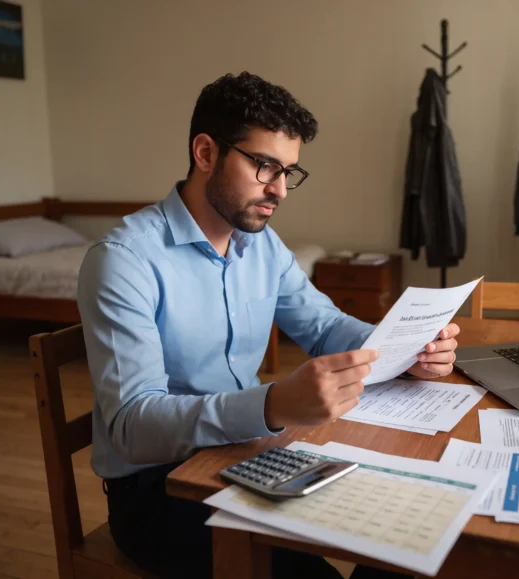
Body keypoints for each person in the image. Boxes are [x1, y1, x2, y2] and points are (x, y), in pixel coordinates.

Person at [78, 71, 462, 579]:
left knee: (407, 534)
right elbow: (130, 427)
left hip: (250, 455)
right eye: (264, 166)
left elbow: (323, 326)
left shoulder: (260, 244)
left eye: (289, 172)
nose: (279, 189)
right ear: (205, 152)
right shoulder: (124, 260)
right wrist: (274, 404)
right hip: (158, 493)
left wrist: (405, 348)